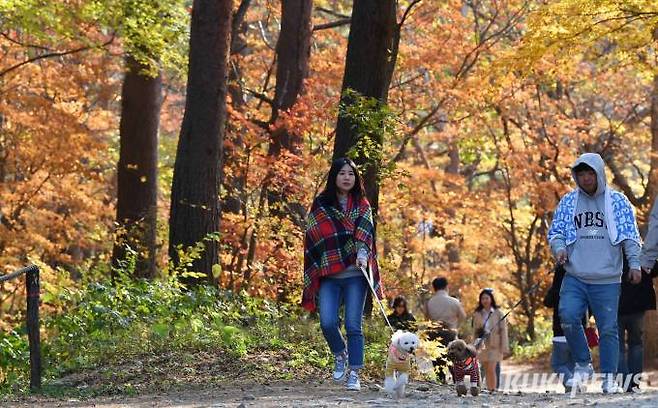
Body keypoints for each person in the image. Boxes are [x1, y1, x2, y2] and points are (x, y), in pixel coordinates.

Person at [548, 152, 642, 393]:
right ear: (576, 176)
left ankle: (609, 379)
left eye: (590, 173)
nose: (586, 178)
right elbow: (556, 232)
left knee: (608, 328)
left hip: (607, 278)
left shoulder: (618, 202)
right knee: (567, 316)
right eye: (581, 174)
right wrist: (559, 249)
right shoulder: (569, 202)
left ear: (599, 174)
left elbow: (630, 236)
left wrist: (634, 264)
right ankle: (583, 362)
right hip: (575, 274)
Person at [302, 157, 382, 391]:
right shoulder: (321, 204)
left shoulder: (362, 204)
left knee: (353, 325)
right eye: (342, 173)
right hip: (329, 274)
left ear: (356, 178)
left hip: (355, 275)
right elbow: (315, 234)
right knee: (327, 322)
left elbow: (365, 234)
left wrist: (362, 255)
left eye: (351, 174)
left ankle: (355, 373)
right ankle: (340, 353)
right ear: (334, 176)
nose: (347, 177)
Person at [618, 195, 658, 392]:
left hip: (614, 304)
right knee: (636, 343)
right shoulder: (641, 249)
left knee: (618, 344)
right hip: (637, 306)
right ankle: (633, 383)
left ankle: (623, 382)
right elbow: (652, 270)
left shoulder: (611, 250)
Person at [425, 276, 466, 382]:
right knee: (453, 357)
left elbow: (427, 319)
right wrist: (456, 327)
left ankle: (440, 379)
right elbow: (463, 316)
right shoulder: (454, 301)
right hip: (450, 333)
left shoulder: (429, 302)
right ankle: (457, 380)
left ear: (434, 288)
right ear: (447, 287)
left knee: (438, 359)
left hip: (434, 333)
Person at [472, 289, 509, 392]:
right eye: (482, 298)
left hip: (495, 344)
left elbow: (504, 331)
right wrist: (474, 346)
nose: (485, 300)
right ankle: (489, 388)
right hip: (482, 344)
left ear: (491, 299)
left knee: (491, 368)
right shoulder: (478, 314)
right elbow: (475, 331)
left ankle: (493, 389)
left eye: (487, 298)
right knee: (486, 367)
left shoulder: (498, 313)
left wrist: (504, 347)